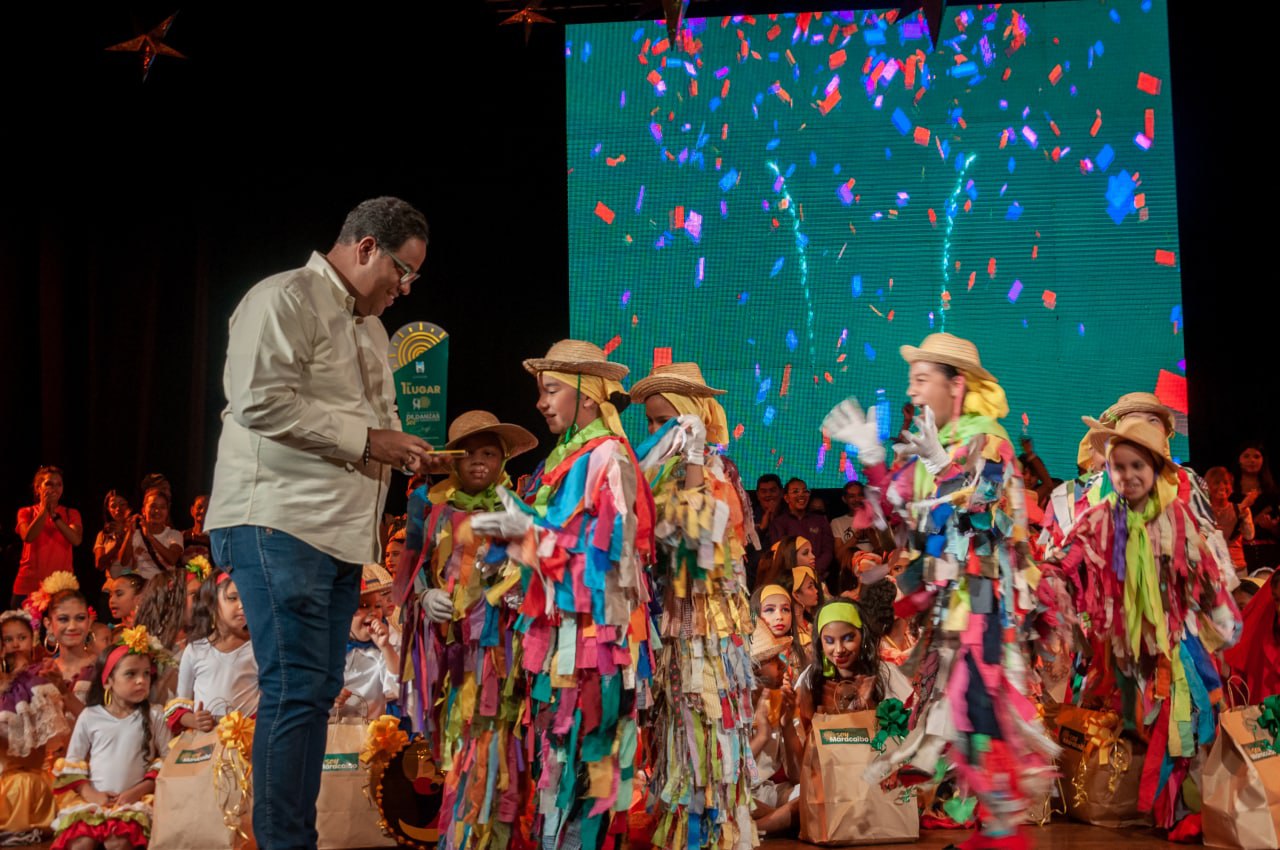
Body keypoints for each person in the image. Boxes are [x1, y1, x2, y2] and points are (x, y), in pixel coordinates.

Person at [204, 195, 433, 850]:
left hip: (339, 534)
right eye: (402, 271)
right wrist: (370, 441)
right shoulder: (283, 299)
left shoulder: (372, 331)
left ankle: (290, 838)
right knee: (295, 688)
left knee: (316, 688)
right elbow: (258, 401)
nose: (405, 288)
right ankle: (285, 842)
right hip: (279, 520)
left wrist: (409, 451)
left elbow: (376, 428)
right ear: (366, 248)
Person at [825, 332, 1055, 850]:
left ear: (957, 385)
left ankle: (1002, 835)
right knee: (961, 720)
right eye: (912, 380)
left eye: (922, 379)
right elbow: (895, 509)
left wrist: (937, 463)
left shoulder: (989, 441)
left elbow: (985, 511)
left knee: (980, 712)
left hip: (983, 607)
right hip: (950, 609)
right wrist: (871, 453)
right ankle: (993, 833)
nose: (912, 389)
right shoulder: (937, 443)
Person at [471, 339, 656, 849]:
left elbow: (610, 560)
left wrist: (527, 535)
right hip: (564, 646)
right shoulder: (567, 459)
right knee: (560, 767)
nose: (540, 402)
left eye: (551, 390)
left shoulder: (608, 457)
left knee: (589, 767)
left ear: (588, 395)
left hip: (597, 644)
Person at [1046, 417, 1239, 838]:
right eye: (1119, 466)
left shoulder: (1178, 516)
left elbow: (1205, 574)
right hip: (1119, 647)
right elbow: (1067, 558)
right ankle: (1136, 807)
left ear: (1155, 470)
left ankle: (1182, 813)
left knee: (1185, 725)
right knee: (1126, 725)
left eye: (1138, 466)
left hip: (1174, 642)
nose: (1128, 476)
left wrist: (1223, 625)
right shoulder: (1099, 518)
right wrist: (1046, 580)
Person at [393, 410, 537, 850]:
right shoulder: (429, 507)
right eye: (468, 453)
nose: (479, 461)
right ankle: (462, 837)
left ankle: (496, 837)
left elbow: (537, 571)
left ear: (503, 459)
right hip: (451, 657)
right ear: (452, 460)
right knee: (460, 745)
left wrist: (519, 588)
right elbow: (411, 569)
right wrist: (423, 597)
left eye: (489, 453)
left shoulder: (519, 510)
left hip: (503, 654)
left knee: (500, 745)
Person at [629, 362, 757, 850]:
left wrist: (698, 459)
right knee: (684, 733)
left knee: (716, 728)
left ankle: (718, 834)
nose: (655, 431)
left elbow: (710, 547)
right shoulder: (656, 475)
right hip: (679, 625)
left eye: (664, 420)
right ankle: (688, 831)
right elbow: (676, 545)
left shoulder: (721, 471)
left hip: (717, 628)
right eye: (650, 422)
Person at [50, 625, 171, 850]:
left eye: (146, 674)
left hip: (135, 801)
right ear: (108, 681)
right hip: (96, 801)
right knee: (81, 844)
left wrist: (138, 791)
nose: (141, 680)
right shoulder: (90, 716)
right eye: (131, 674)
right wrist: (92, 794)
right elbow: (72, 764)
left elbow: (168, 760)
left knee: (118, 842)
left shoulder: (154, 715)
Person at [0, 609, 68, 838]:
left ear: (33, 639)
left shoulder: (37, 681)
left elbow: (41, 743)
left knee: (23, 782)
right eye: (8, 639)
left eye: (22, 637)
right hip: (6, 773)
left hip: (27, 772)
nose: (15, 644)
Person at [165, 570, 257, 733]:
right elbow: (180, 704)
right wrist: (194, 720)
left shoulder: (257, 648)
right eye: (233, 598)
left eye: (246, 598)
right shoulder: (195, 651)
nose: (242, 605)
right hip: (208, 741)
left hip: (249, 740)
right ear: (211, 603)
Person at [13, 467, 83, 609]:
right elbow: (28, 537)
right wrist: (44, 510)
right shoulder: (26, 512)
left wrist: (54, 516)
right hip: (29, 585)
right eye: (49, 484)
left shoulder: (71, 513)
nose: (54, 488)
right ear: (38, 488)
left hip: (61, 586)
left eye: (59, 484)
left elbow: (76, 540)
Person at [767, 479, 834, 585]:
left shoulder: (820, 520)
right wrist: (798, 574)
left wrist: (814, 571)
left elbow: (828, 551)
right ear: (786, 498)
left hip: (817, 578)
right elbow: (780, 553)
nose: (801, 495)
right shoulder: (779, 523)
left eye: (805, 491)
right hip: (790, 580)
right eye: (795, 491)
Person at [119, 489, 182, 580]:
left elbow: (172, 559)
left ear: (167, 511)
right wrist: (130, 533)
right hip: (141, 585)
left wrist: (149, 536)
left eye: (162, 507)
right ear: (143, 510)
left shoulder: (174, 534)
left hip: (164, 586)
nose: (157, 511)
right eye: (153, 506)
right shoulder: (135, 534)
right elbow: (123, 562)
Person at [1205, 467, 1253, 574]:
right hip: (1211, 568)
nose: (1222, 486)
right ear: (1207, 487)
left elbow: (1249, 536)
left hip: (1237, 568)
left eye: (1226, 483)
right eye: (1217, 483)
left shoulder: (1240, 509)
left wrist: (1244, 513)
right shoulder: (1202, 510)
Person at [92, 492, 132, 580]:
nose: (118, 509)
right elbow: (99, 565)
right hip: (112, 583)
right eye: (113, 506)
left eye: (122, 504)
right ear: (108, 509)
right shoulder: (103, 535)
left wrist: (125, 533)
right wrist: (116, 548)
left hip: (135, 581)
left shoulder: (137, 530)